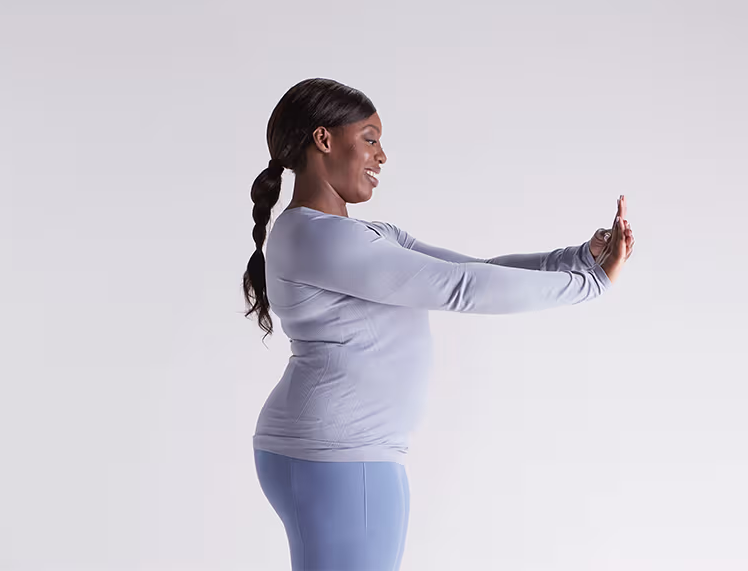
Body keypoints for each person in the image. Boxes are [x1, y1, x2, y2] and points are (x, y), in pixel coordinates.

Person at [242, 78, 635, 571]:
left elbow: (474, 268)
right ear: (323, 139)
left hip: (340, 454)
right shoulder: (316, 237)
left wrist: (579, 258)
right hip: (338, 456)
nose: (381, 156)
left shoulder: (364, 234)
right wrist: (590, 285)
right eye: (370, 138)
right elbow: (461, 289)